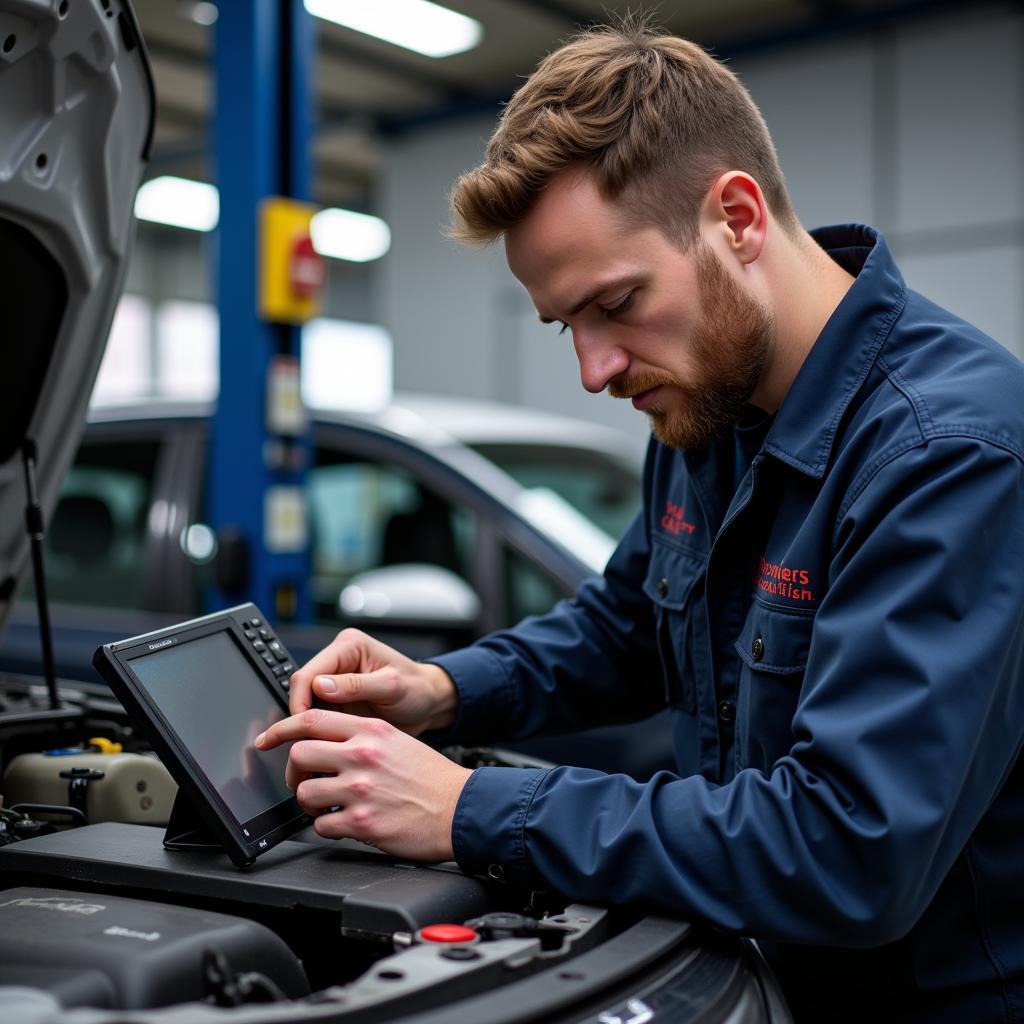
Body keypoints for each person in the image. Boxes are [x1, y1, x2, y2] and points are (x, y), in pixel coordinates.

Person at [255, 21, 1024, 1022]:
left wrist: (465, 808)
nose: (594, 368)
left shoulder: (946, 452)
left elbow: (848, 848)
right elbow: (624, 626)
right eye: (566, 324)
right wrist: (439, 690)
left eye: (616, 302)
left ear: (736, 219)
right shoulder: (708, 402)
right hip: (759, 977)